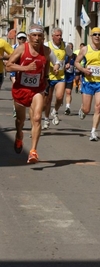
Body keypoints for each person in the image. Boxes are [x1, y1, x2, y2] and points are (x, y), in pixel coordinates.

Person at [6, 24, 51, 164]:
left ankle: (33, 151)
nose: (37, 38)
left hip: (37, 89)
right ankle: (19, 135)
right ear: (29, 37)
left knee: (37, 118)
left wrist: (46, 78)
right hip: (21, 89)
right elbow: (8, 66)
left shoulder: (46, 50)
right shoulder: (21, 48)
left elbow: (47, 62)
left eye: (40, 36)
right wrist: (25, 68)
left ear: (43, 37)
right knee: (20, 121)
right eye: (34, 35)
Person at [74, 27, 100, 141]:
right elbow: (76, 62)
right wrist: (83, 70)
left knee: (98, 107)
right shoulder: (85, 49)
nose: (97, 36)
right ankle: (82, 109)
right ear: (91, 36)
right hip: (88, 82)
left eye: (99, 34)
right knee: (87, 109)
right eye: (95, 34)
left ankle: (93, 132)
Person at [43, 27, 73, 129]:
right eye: (57, 35)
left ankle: (54, 111)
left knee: (60, 97)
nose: (59, 37)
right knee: (48, 99)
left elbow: (71, 55)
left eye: (60, 35)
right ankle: (46, 119)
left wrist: (68, 63)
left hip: (60, 76)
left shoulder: (65, 45)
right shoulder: (47, 45)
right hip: (49, 76)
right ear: (52, 36)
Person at [64, 42, 77, 115]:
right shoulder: (64, 56)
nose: (70, 49)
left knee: (68, 92)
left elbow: (78, 63)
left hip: (70, 77)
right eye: (69, 47)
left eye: (71, 48)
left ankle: (67, 107)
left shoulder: (75, 56)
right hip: (62, 76)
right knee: (60, 95)